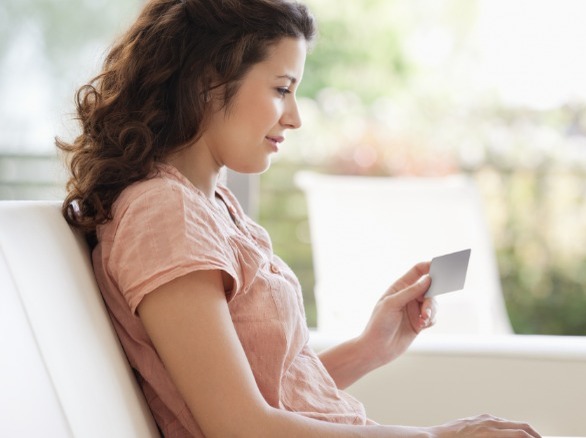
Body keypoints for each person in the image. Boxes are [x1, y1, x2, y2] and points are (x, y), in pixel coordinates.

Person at [57, 0, 541, 437]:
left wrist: (369, 347)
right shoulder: (166, 214)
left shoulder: (210, 205)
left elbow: (265, 392)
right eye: (281, 89)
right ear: (208, 82)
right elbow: (239, 427)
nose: (294, 117)